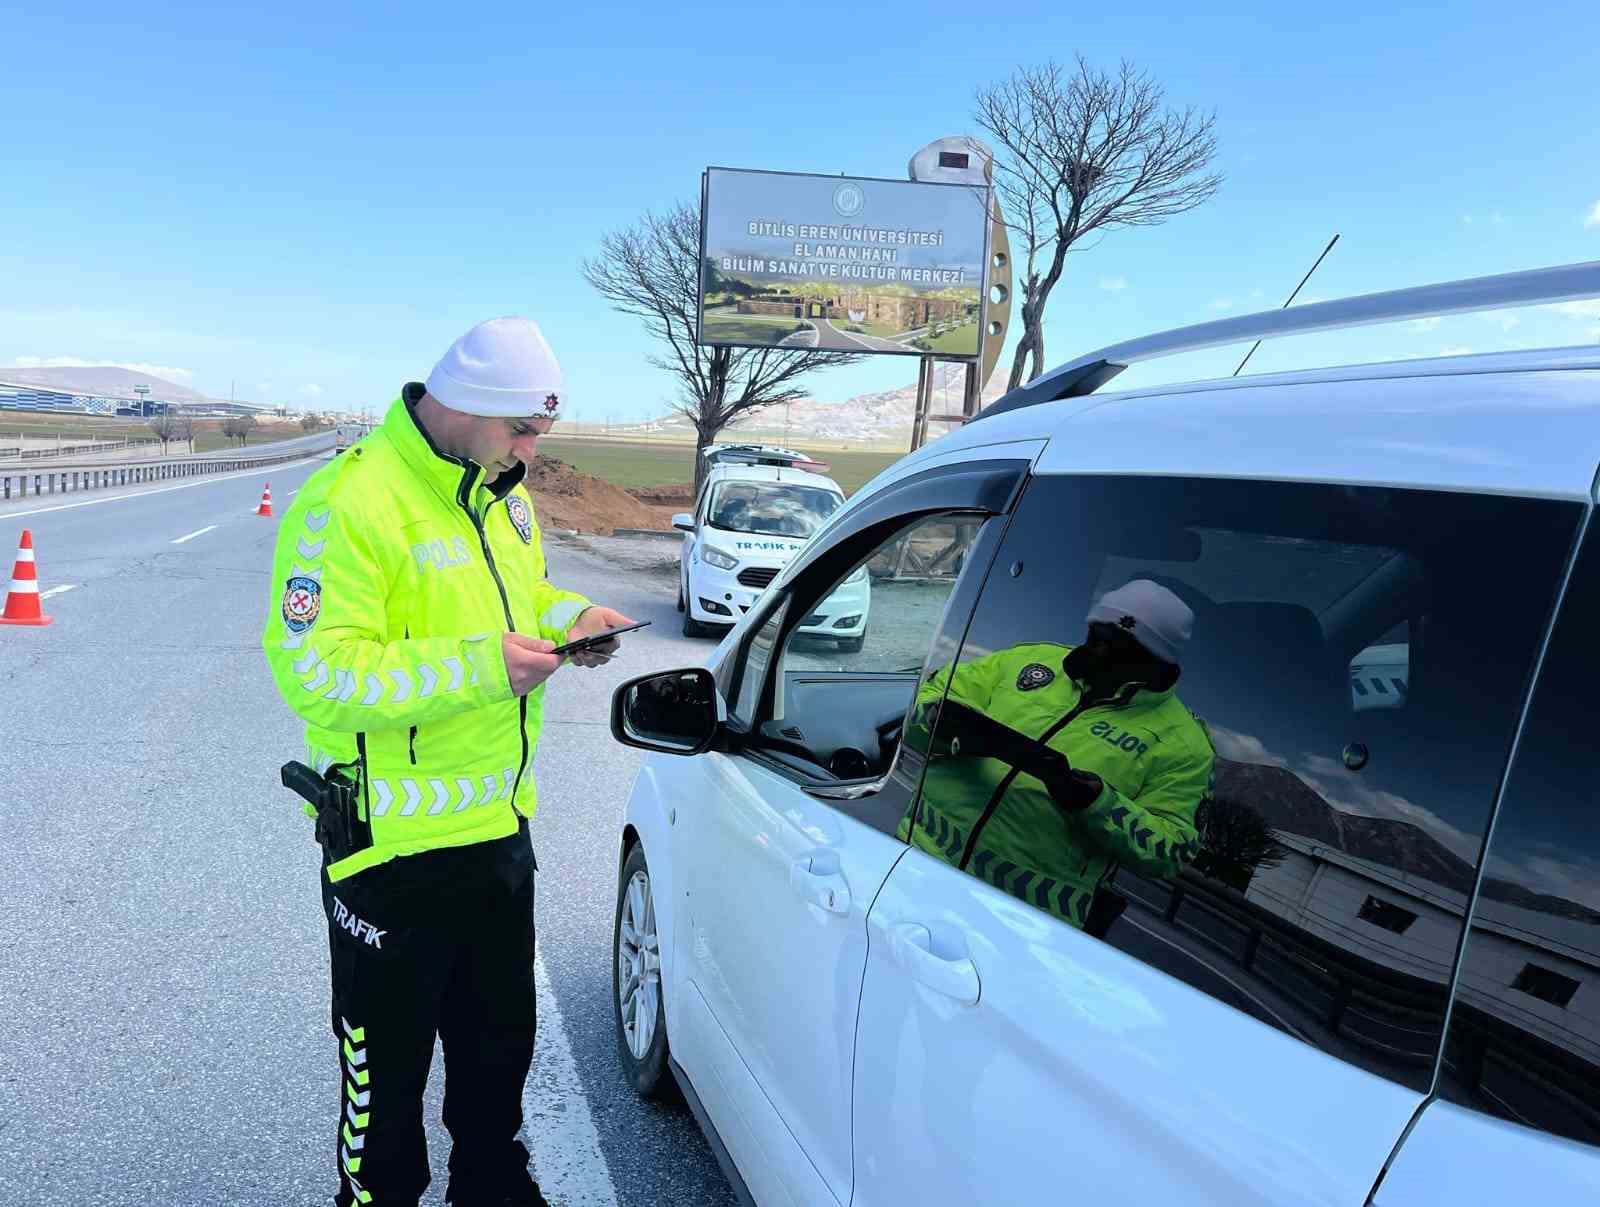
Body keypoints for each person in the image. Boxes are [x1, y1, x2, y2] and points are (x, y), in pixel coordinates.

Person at [262, 317, 636, 1207]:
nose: (533, 452)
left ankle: (494, 1188)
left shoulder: (504, 492)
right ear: (464, 405)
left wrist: (573, 613)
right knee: (384, 1086)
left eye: (541, 433)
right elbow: (316, 671)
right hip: (389, 853)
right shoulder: (347, 501)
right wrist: (482, 667)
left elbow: (523, 596)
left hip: (499, 831)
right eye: (523, 430)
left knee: (497, 1053)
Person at [899, 579, 1213, 935]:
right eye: (1097, 636)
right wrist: (945, 722)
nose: (1101, 651)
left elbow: (1173, 849)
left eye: (1123, 648)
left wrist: (1097, 803)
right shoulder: (1026, 661)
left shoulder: (1184, 746)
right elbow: (933, 693)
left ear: (1158, 661)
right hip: (912, 862)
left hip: (1028, 922)